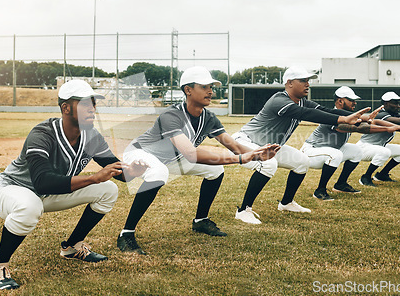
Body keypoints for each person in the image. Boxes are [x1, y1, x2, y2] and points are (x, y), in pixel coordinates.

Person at [0, 80, 148, 290]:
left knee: (108, 190)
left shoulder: (92, 136)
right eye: (85, 103)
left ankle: (72, 247)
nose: (92, 108)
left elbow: (115, 170)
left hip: (50, 194)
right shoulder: (42, 134)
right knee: (30, 205)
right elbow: (42, 182)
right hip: (14, 190)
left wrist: (132, 172)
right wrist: (93, 177)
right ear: (66, 107)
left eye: (93, 103)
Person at [117, 66, 280, 254]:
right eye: (204, 86)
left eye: (211, 86)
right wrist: (240, 159)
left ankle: (200, 221)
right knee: (159, 172)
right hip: (141, 153)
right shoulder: (172, 115)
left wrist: (258, 154)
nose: (211, 91)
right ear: (188, 90)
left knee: (215, 171)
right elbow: (191, 154)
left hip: (173, 157)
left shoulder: (209, 118)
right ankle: (126, 234)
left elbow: (234, 146)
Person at [233, 66, 372, 225]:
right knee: (268, 164)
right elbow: (308, 114)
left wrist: (362, 117)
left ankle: (286, 203)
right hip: (245, 142)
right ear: (289, 83)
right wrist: (343, 119)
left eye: (308, 81)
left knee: (302, 162)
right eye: (303, 80)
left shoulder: (302, 102)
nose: (308, 84)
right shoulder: (279, 100)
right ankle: (243, 210)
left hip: (270, 146)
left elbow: (327, 111)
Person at [301, 86, 400, 201]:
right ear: (340, 101)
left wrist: (397, 127)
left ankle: (341, 184)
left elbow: (374, 121)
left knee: (356, 150)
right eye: (351, 100)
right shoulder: (333, 116)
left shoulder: (348, 115)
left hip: (329, 150)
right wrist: (387, 129)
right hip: (311, 152)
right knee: (335, 154)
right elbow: (359, 128)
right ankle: (320, 190)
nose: (355, 103)